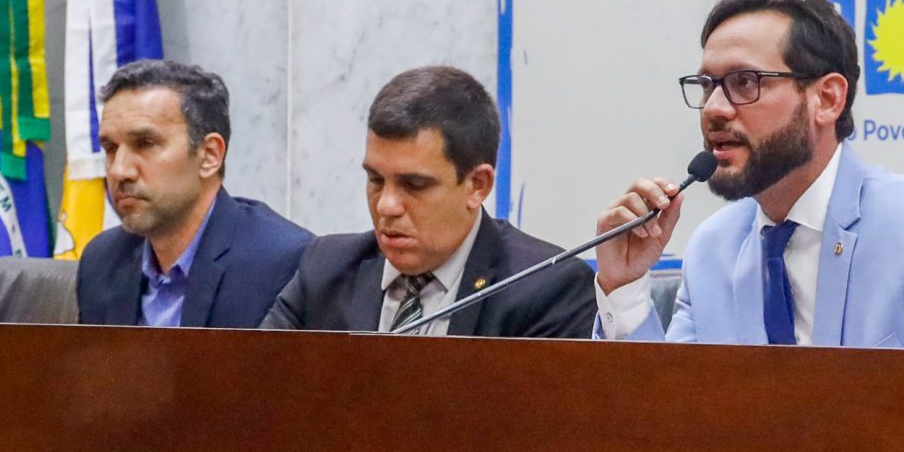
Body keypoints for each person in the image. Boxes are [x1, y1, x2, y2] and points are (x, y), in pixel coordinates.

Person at [593, 0, 904, 350]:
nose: (714, 109)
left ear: (827, 99)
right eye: (707, 85)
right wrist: (624, 287)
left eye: (744, 82)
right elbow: (672, 413)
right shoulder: (714, 249)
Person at [262, 67, 592, 337]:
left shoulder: (546, 287)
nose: (386, 206)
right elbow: (255, 385)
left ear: (477, 186)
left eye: (414, 185)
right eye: (376, 180)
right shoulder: (326, 269)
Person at [75, 59, 313, 329]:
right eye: (110, 149)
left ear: (209, 155)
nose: (119, 171)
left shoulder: (283, 263)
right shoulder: (102, 261)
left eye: (145, 144)